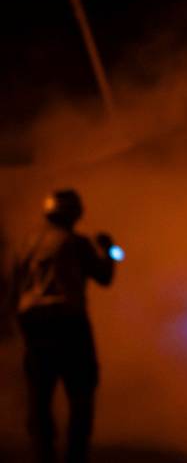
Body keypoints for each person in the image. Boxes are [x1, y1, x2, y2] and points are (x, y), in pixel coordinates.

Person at [9, 189, 116, 463]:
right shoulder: (75, 243)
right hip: (69, 324)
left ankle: (43, 453)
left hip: (33, 324)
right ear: (74, 213)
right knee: (81, 393)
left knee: (40, 396)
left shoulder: (26, 244)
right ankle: (75, 456)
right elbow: (104, 277)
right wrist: (108, 252)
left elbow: (12, 287)